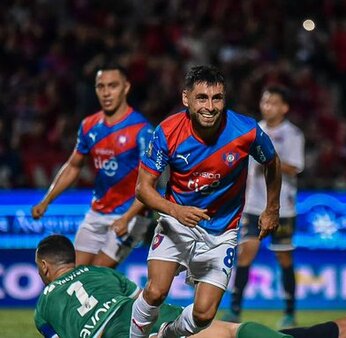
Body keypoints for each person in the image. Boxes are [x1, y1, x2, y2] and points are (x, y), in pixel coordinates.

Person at [130, 65, 282, 338]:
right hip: (177, 222)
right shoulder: (167, 131)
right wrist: (176, 211)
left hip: (222, 231)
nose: (210, 107)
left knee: (203, 315)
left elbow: (272, 162)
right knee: (155, 291)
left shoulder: (245, 131)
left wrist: (272, 209)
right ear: (186, 99)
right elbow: (143, 189)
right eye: (202, 98)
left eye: (217, 98)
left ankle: (166, 336)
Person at [33, 234, 290, 338]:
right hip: (134, 314)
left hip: (107, 333)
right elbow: (143, 300)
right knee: (231, 332)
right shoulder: (99, 271)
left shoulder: (43, 307)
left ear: (44, 266)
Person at [31, 63, 153, 268]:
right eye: (101, 86)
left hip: (131, 214)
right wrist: (47, 200)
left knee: (96, 275)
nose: (106, 92)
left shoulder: (142, 130)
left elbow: (150, 183)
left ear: (126, 87)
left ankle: (136, 299)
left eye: (112, 86)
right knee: (73, 274)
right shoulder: (89, 126)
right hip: (97, 213)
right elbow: (73, 166)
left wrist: (127, 218)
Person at [224, 85, 305, 328]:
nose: (267, 106)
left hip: (282, 206)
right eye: (264, 101)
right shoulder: (254, 130)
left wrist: (271, 161)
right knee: (245, 252)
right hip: (253, 205)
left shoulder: (292, 134)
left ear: (284, 108)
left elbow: (297, 167)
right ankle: (235, 310)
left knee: (284, 257)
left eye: (272, 102)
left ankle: (290, 312)